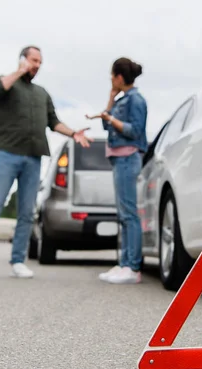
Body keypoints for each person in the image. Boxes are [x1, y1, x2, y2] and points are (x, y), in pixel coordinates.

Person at [0, 45, 93, 281]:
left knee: (27, 213)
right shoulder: (5, 83)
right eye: (33, 60)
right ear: (22, 60)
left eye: (40, 62)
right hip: (7, 155)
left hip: (33, 157)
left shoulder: (42, 93)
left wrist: (73, 134)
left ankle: (18, 261)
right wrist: (19, 71)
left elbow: (53, 122)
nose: (36, 65)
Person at [86, 57, 148, 284]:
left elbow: (136, 130)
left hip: (128, 158)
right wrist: (111, 99)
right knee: (123, 215)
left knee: (130, 214)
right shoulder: (122, 100)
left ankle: (132, 267)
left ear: (119, 77)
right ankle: (124, 264)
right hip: (119, 160)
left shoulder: (136, 100)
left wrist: (110, 118)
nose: (111, 80)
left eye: (112, 76)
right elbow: (106, 124)